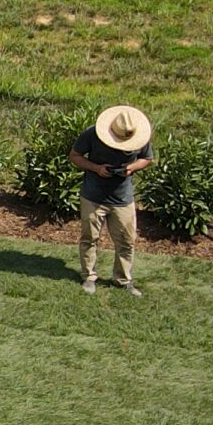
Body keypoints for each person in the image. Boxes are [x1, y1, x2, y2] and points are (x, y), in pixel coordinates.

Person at [69, 104, 153, 295]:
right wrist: (96, 168)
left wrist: (132, 167)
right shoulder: (92, 133)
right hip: (93, 196)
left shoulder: (138, 135)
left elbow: (147, 158)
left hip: (123, 198)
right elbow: (74, 156)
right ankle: (88, 277)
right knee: (90, 238)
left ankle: (123, 280)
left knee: (126, 240)